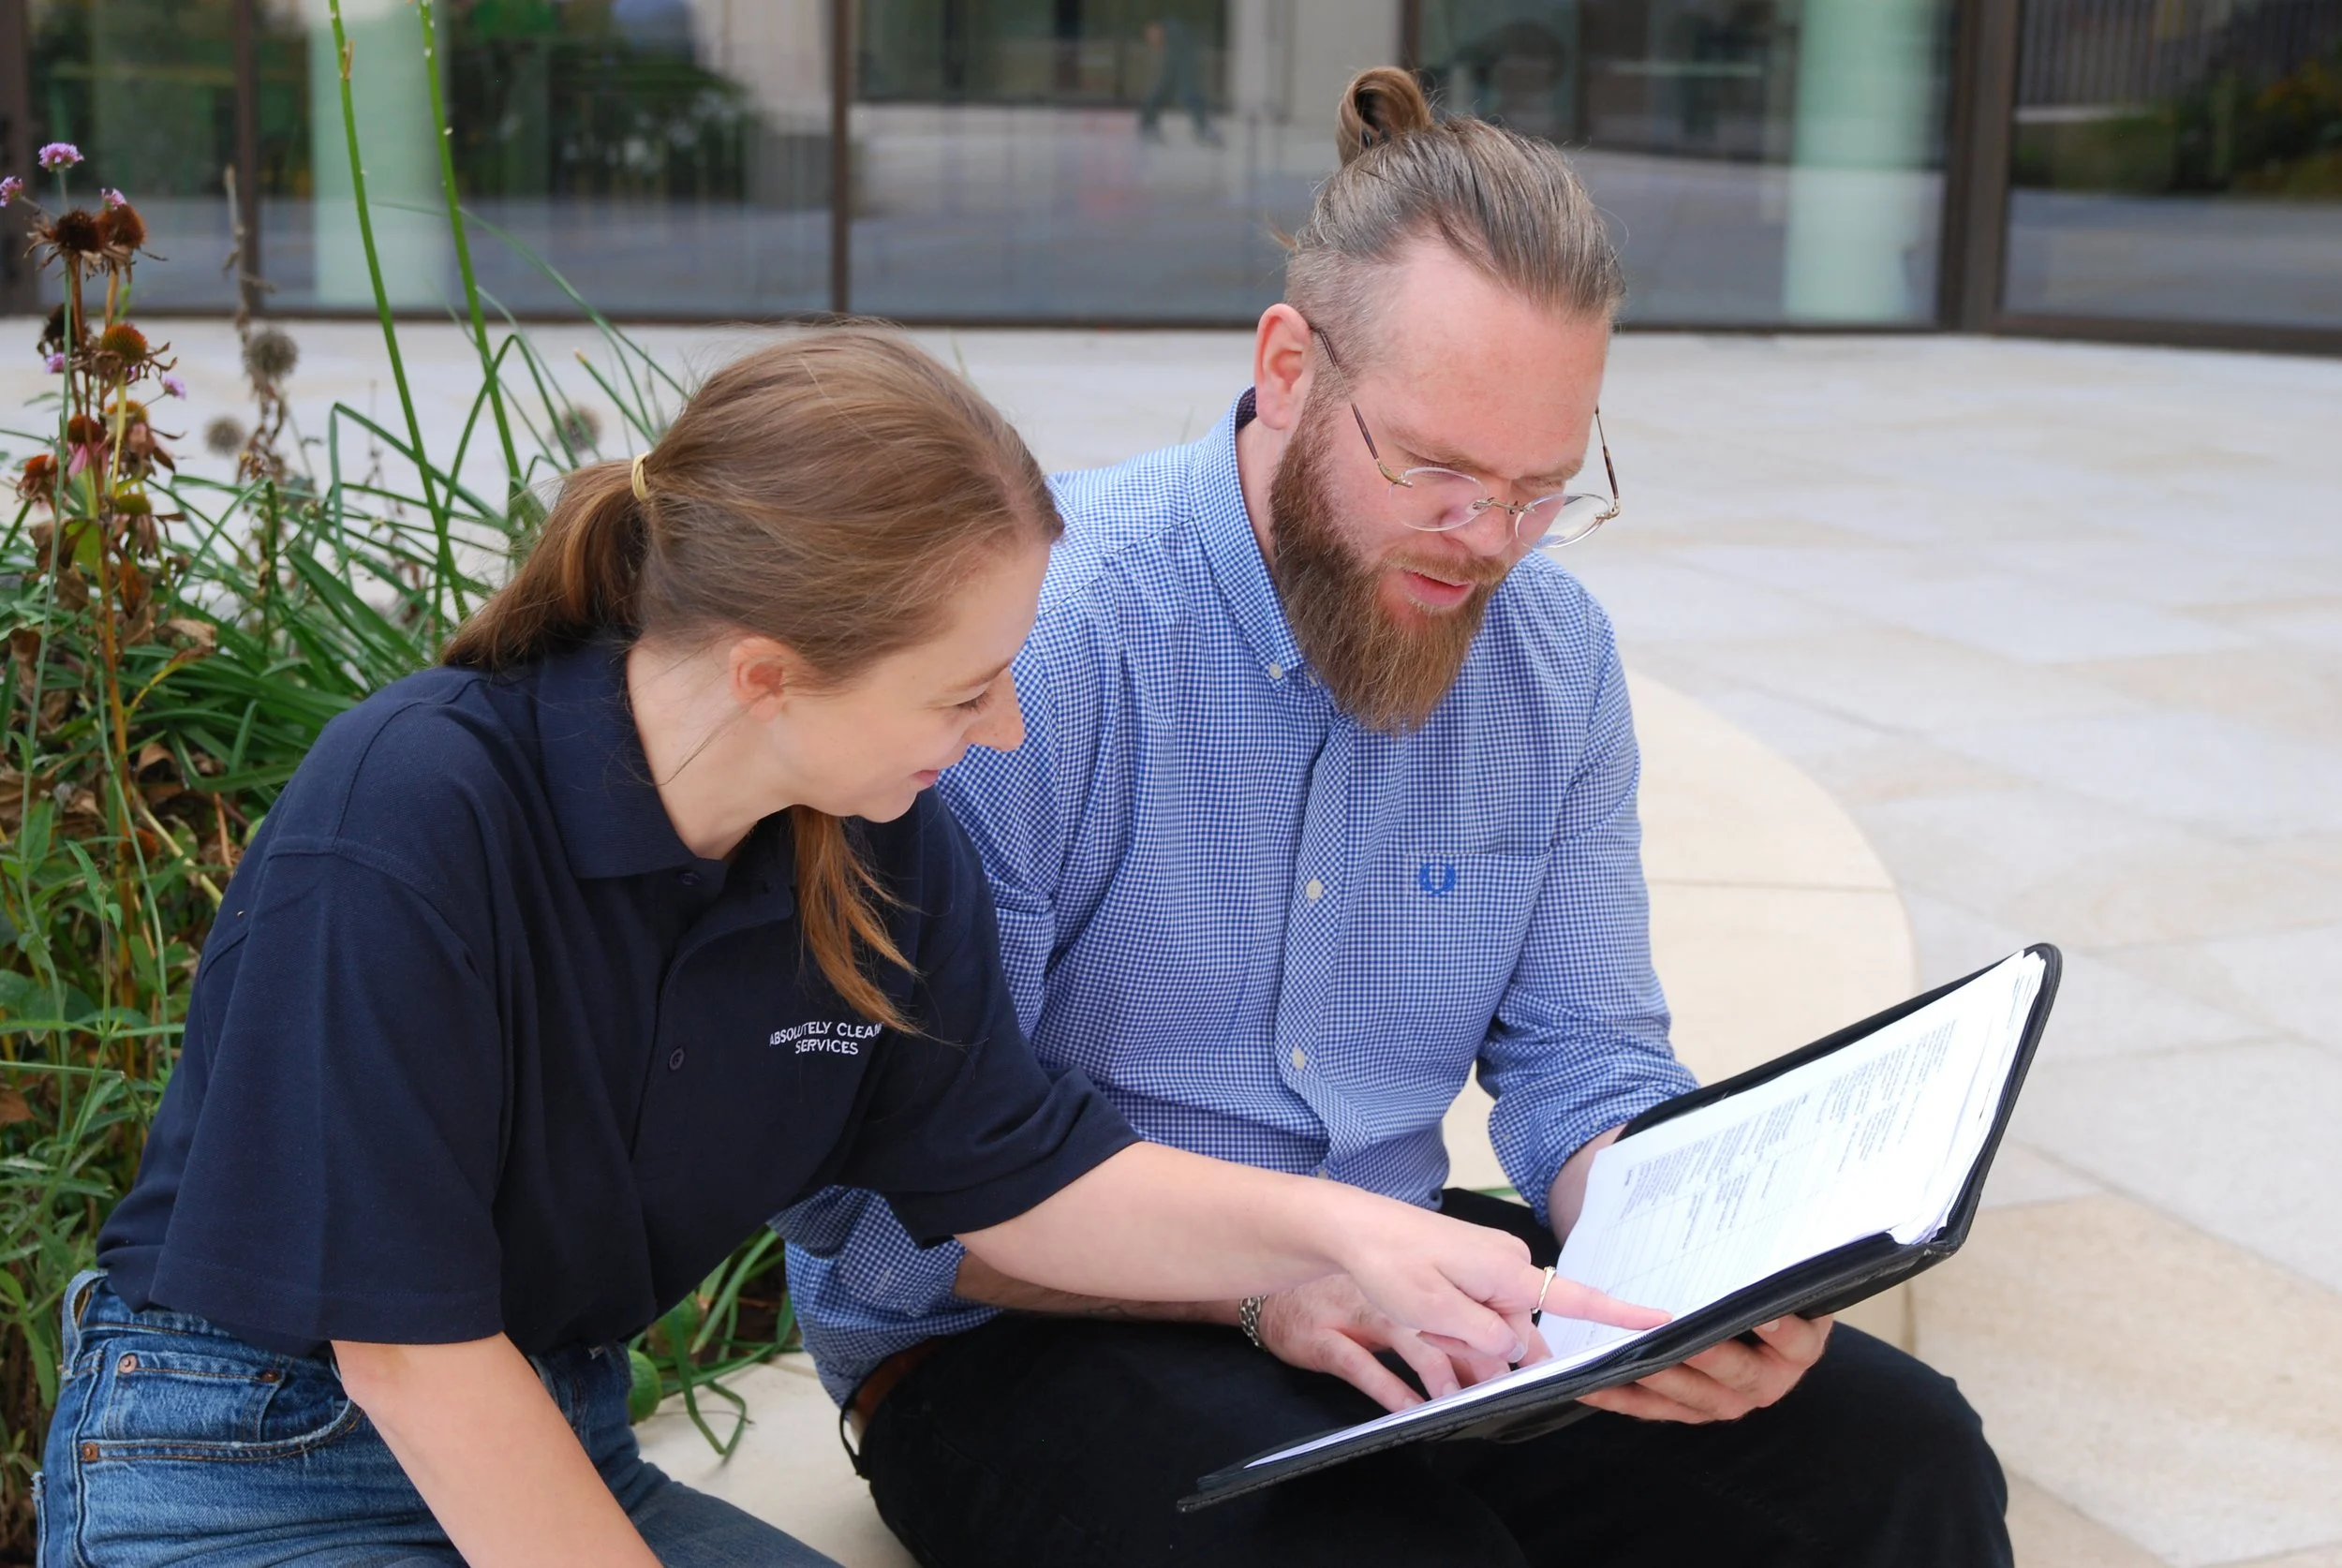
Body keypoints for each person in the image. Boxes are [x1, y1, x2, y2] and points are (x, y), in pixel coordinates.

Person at [36, 330, 1655, 1568]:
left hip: (552, 1427)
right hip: (240, 1458)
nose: (1007, 722)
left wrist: (1349, 1240)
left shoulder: (869, 847)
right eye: (964, 688)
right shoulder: (413, 812)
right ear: (767, 673)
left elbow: (1028, 1174)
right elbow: (407, 1346)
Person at [783, 72, 2013, 1568]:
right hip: (1018, 1336)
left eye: (1541, 489)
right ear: (1290, 366)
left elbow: (1586, 1060)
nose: (1486, 542)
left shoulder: (1550, 665)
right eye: (1434, 469)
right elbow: (916, 1185)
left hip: (1397, 1278)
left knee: (1901, 1456)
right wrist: (1257, 1284)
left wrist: (1700, 1278)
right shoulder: (1039, 648)